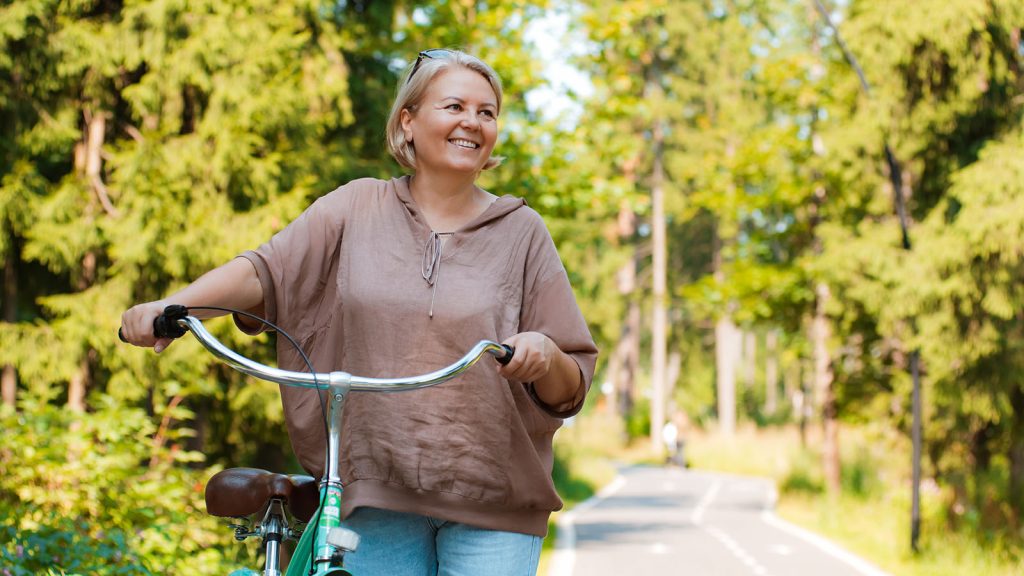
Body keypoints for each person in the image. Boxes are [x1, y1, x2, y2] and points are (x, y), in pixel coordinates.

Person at [120, 49, 598, 576]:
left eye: (487, 112)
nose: (473, 122)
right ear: (408, 121)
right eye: (455, 105)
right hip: (376, 490)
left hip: (493, 500)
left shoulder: (523, 232)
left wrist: (546, 355)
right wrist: (175, 305)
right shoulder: (355, 207)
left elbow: (568, 385)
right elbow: (264, 271)